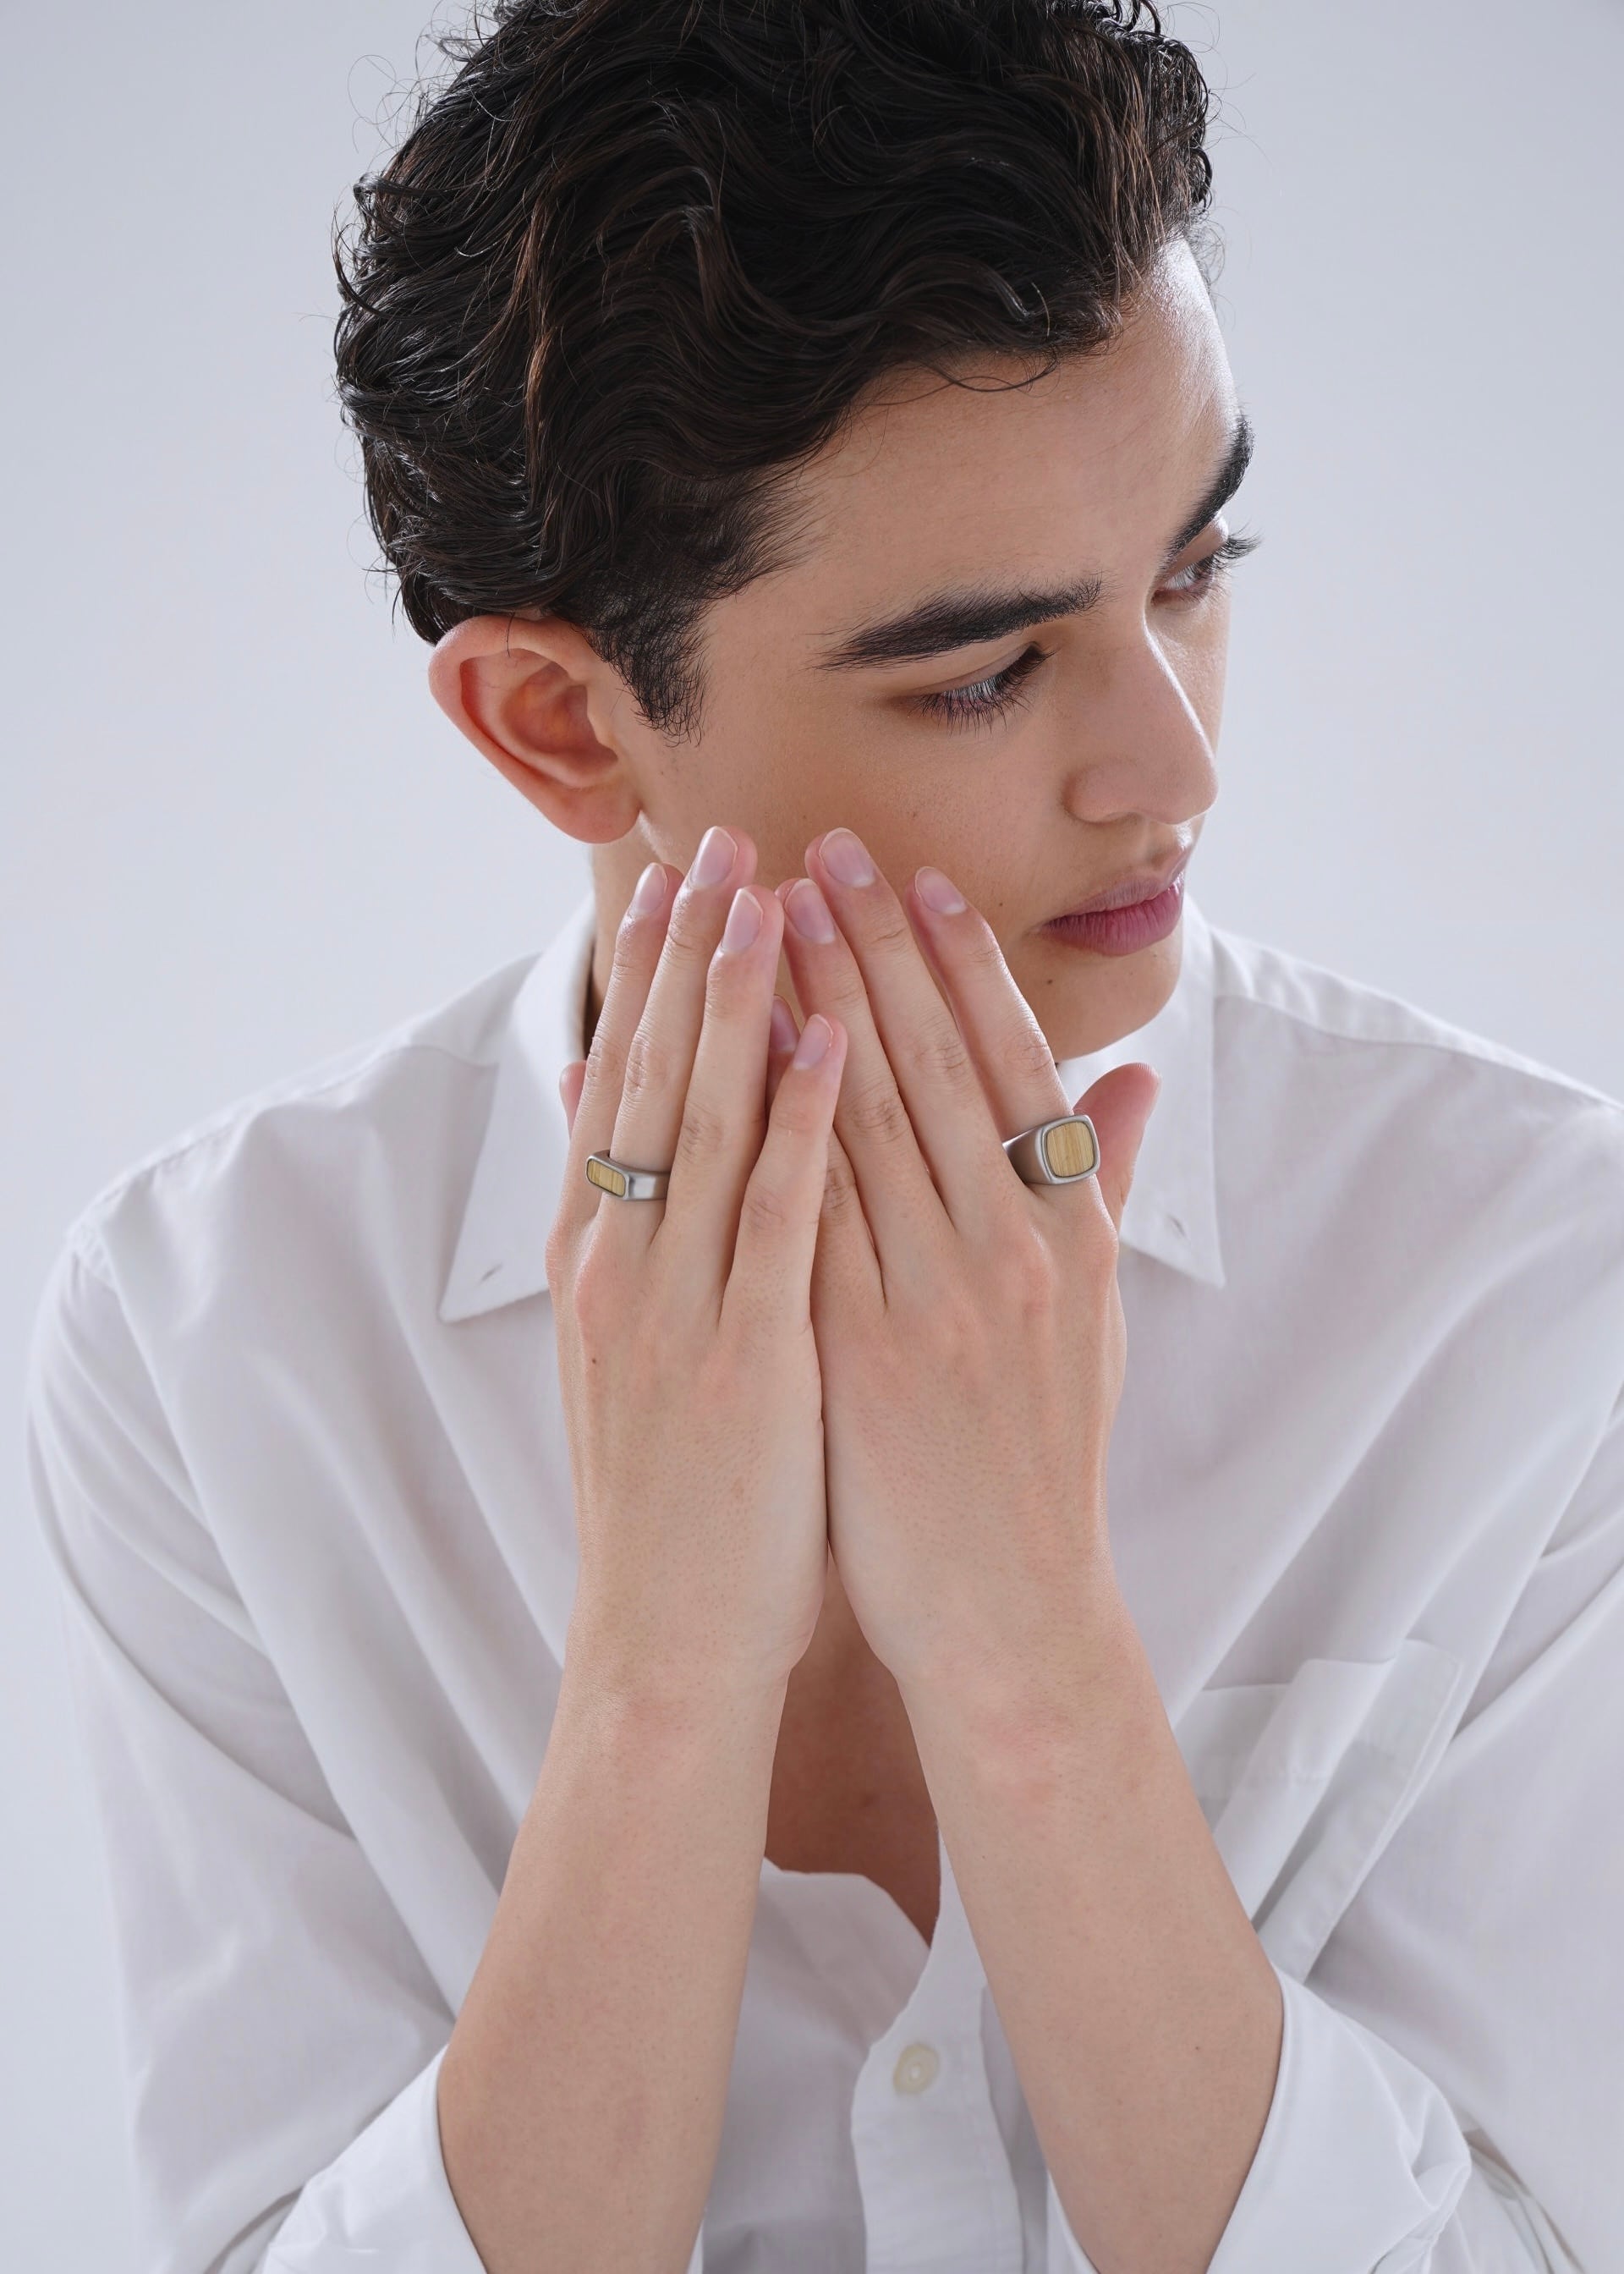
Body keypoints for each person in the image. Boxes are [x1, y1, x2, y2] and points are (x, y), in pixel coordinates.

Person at [23, 1, 1620, 2269]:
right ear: (559, 723)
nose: (1175, 770)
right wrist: (662, 1685)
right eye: (984, 672)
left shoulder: (1531, 1282)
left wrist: (1034, 1663)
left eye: (1194, 566)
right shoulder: (221, 1345)